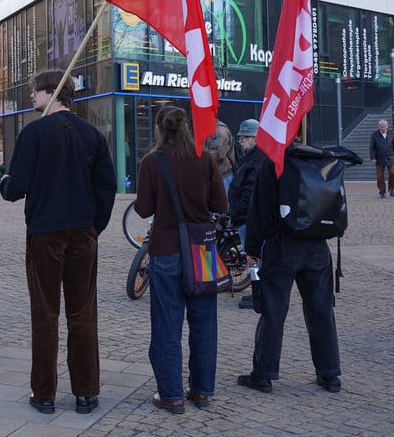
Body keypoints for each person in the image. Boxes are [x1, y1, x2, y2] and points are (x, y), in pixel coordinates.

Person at [0, 70, 115, 415]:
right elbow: (106, 188)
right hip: (82, 231)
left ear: (52, 92)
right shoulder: (92, 134)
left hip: (45, 233)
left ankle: (45, 393)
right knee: (83, 313)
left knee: (45, 313)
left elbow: (16, 187)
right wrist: (94, 227)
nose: (32, 98)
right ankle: (85, 392)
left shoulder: (33, 133)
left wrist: (5, 182)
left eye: (36, 92)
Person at [134, 106, 227, 414]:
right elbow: (221, 203)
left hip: (166, 249)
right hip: (202, 250)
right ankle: (201, 391)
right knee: (204, 323)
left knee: (167, 325)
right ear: (186, 128)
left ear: (159, 130)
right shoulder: (205, 159)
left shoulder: (151, 162)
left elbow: (144, 209)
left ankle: (171, 395)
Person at [238, 138, 342, 395]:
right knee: (321, 311)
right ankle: (330, 374)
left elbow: (259, 209)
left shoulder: (274, 160)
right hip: (317, 244)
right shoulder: (319, 158)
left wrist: (252, 248)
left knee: (273, 311)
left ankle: (263, 374)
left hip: (283, 245)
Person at [227, 119, 266, 310]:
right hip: (245, 217)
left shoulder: (257, 159)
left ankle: (259, 294)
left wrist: (238, 212)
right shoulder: (251, 156)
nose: (241, 141)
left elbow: (250, 192)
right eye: (241, 138)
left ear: (255, 138)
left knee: (254, 259)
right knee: (254, 259)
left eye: (244, 138)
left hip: (248, 218)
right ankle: (258, 292)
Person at [368, 119, 394, 198]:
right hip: (379, 158)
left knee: (393, 173)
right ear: (378, 127)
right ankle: (382, 191)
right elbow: (372, 148)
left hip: (391, 157)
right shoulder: (374, 135)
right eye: (381, 127)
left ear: (387, 126)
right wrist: (373, 158)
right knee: (380, 176)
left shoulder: (392, 134)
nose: (383, 128)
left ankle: (391, 189)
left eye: (384, 126)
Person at [205, 119, 237, 192]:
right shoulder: (206, 129)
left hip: (223, 175)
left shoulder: (220, 130)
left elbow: (218, 152)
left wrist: (199, 158)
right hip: (213, 175)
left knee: (224, 202)